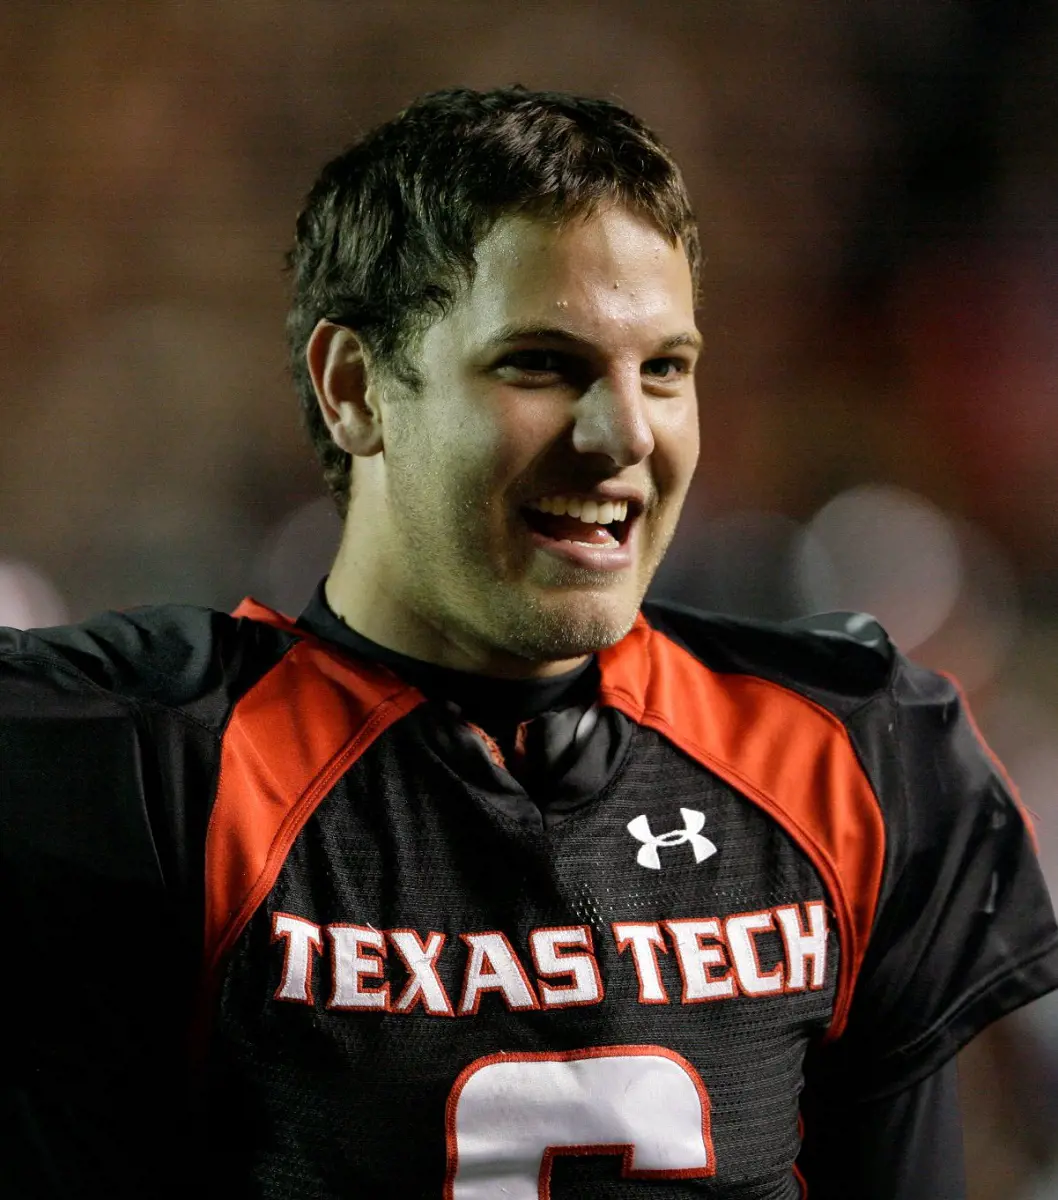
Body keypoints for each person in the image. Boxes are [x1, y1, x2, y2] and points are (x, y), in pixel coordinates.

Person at [1, 86, 1056, 1200]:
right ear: (355, 389)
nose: (622, 435)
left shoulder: (843, 760)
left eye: (663, 368)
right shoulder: (155, 771)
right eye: (540, 365)